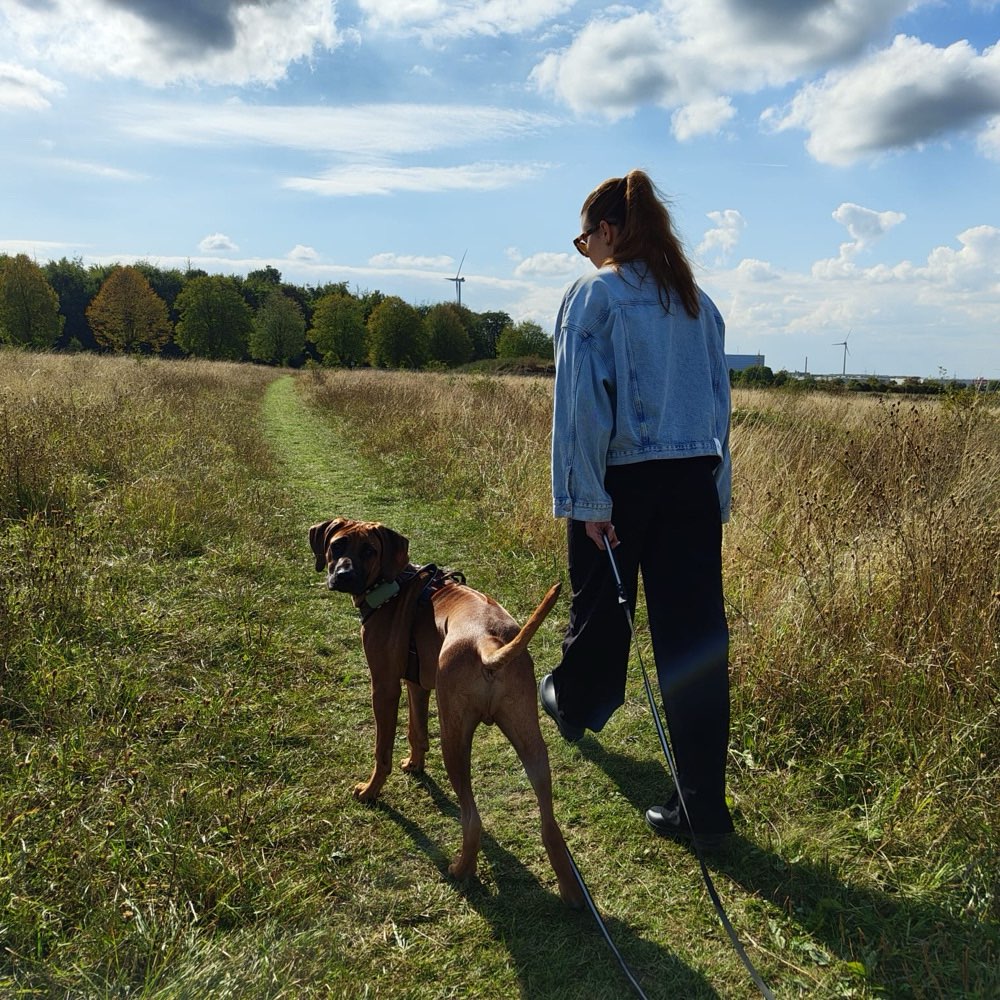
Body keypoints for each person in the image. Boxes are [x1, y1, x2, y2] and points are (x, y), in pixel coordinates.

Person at [538, 169, 734, 848]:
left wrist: (587, 500)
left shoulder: (594, 296)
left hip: (623, 484)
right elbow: (719, 411)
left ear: (611, 231)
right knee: (695, 645)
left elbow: (581, 410)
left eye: (584, 235)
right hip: (691, 487)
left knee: (598, 612)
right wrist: (716, 494)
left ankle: (576, 701)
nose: (582, 248)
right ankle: (704, 808)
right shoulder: (696, 302)